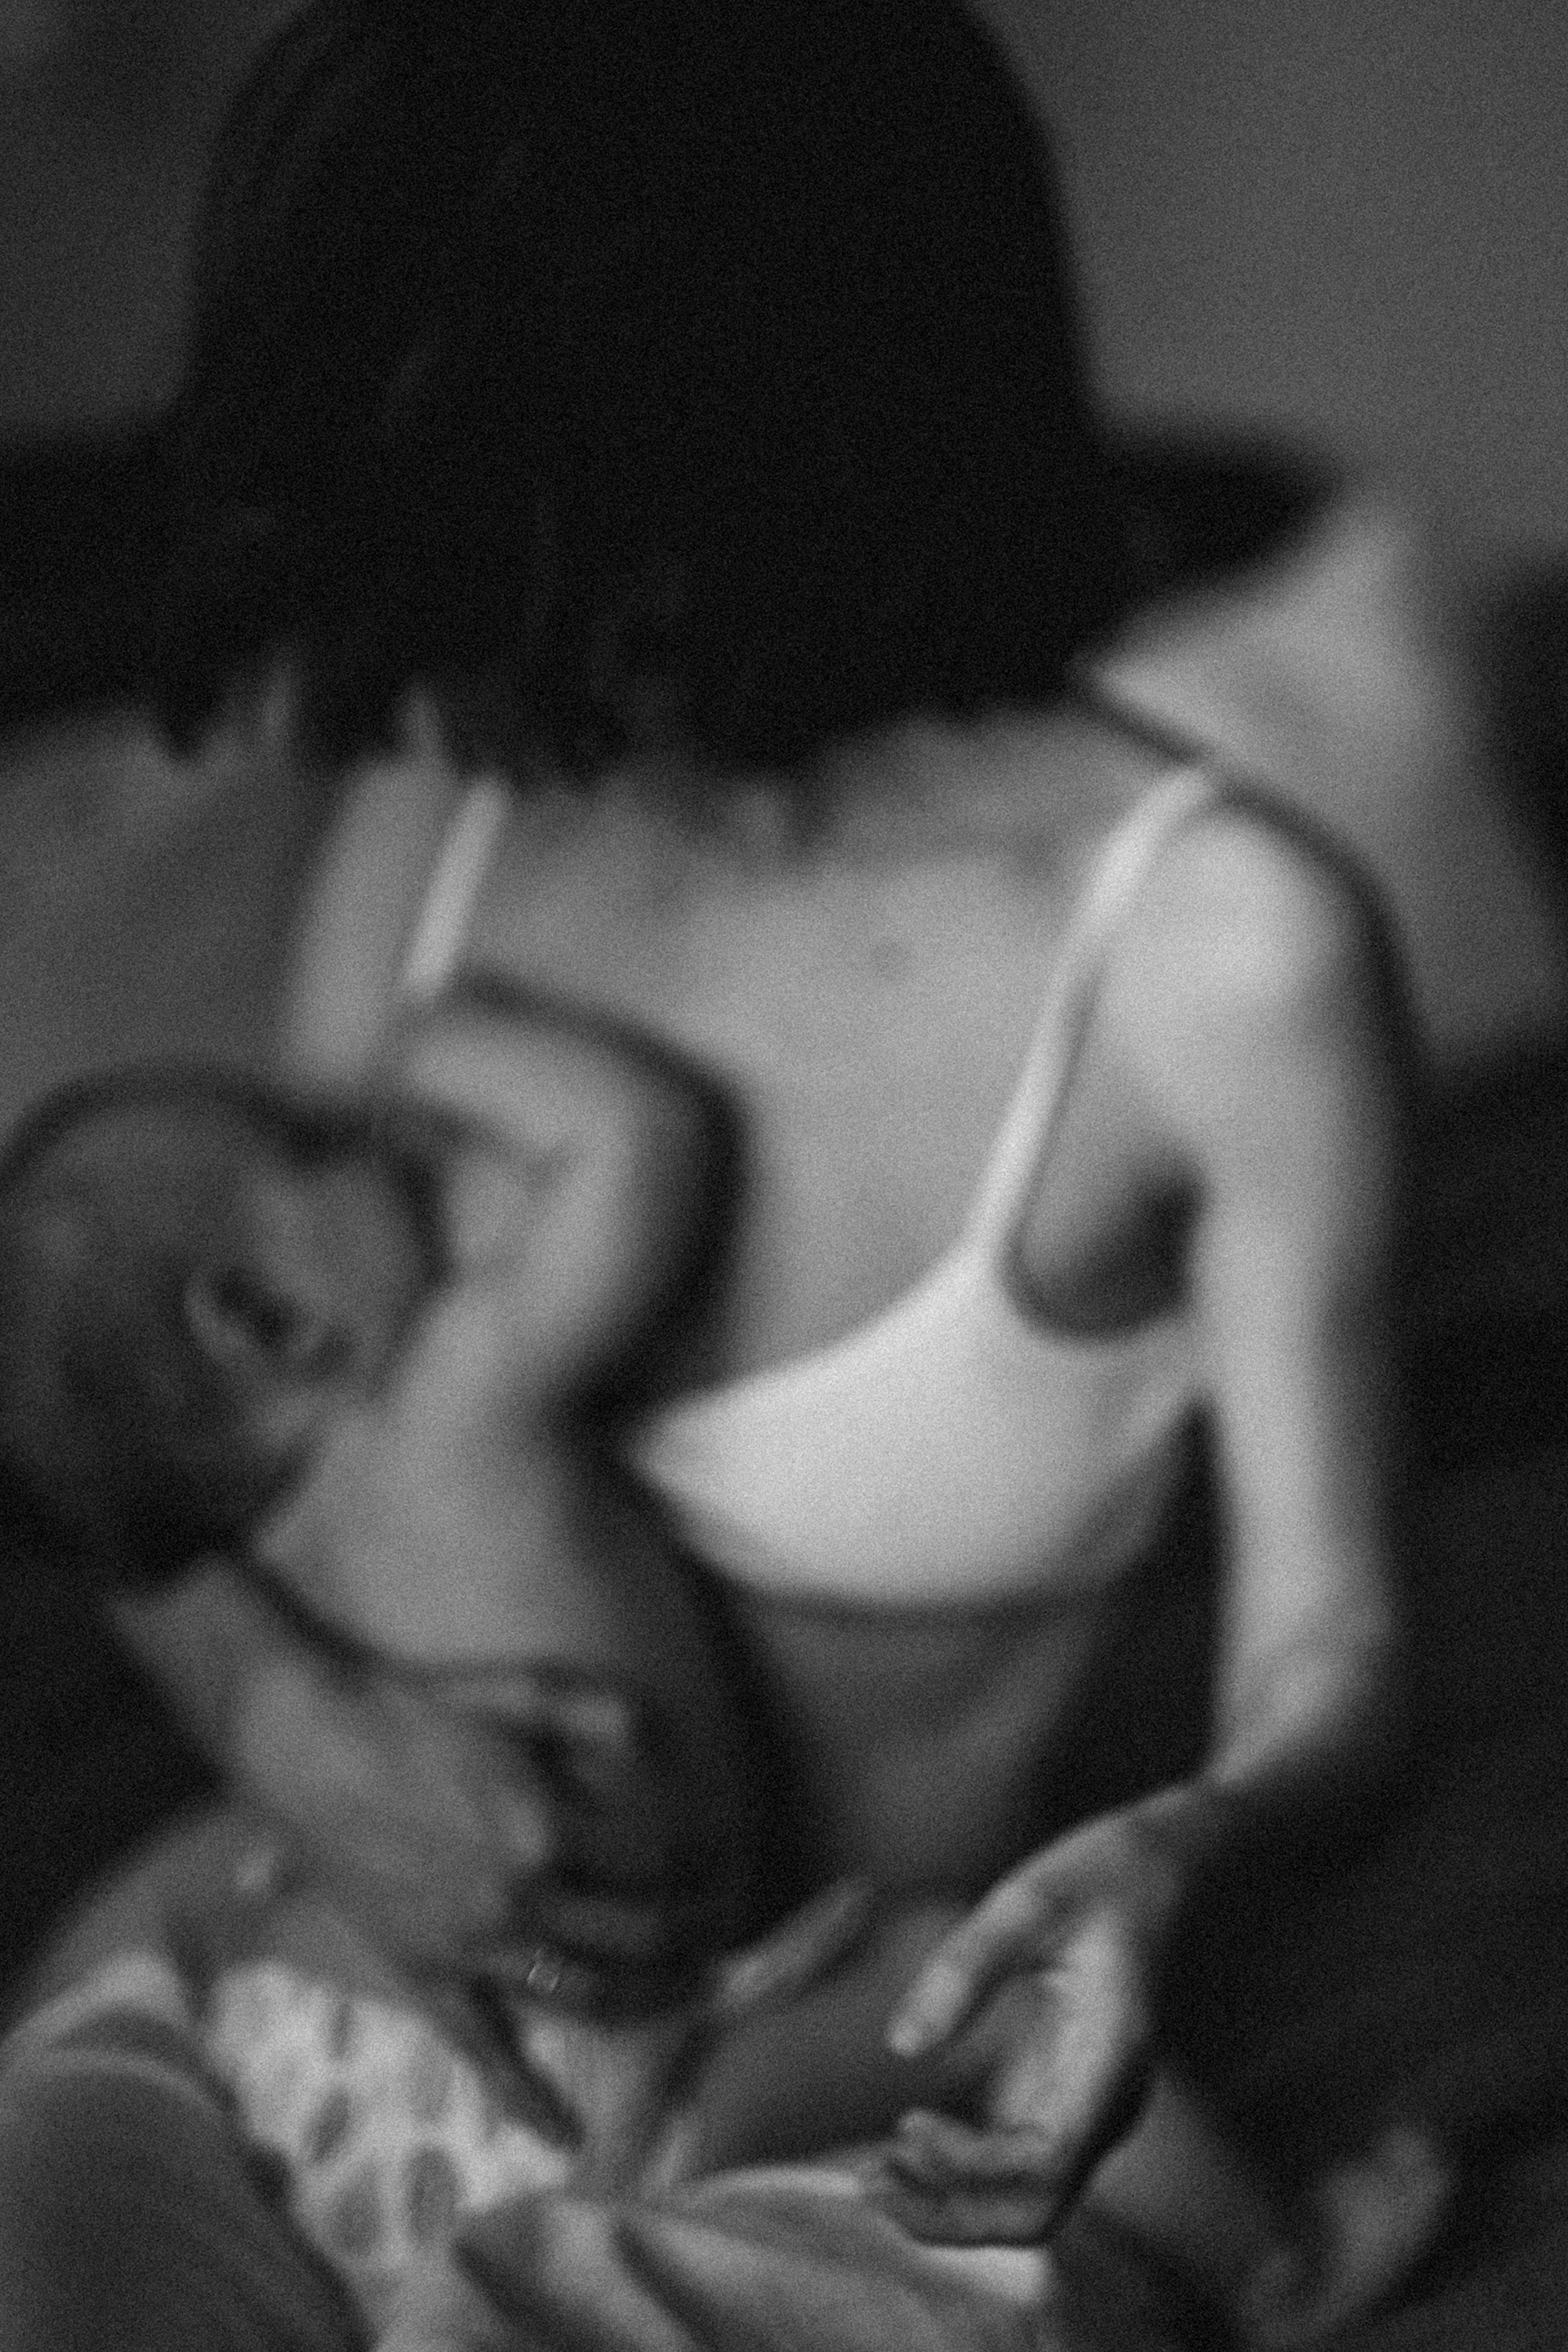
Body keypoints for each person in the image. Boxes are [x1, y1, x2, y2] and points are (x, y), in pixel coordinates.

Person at [2, 0, 1450, 2341]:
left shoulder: (1209, 949)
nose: (444, 654)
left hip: (812, 2064)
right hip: (295, 1957)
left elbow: (1333, 1654)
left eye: (504, 546)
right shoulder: (449, 813)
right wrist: (290, 1723)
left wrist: (1174, 1857)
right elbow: (194, 1436)